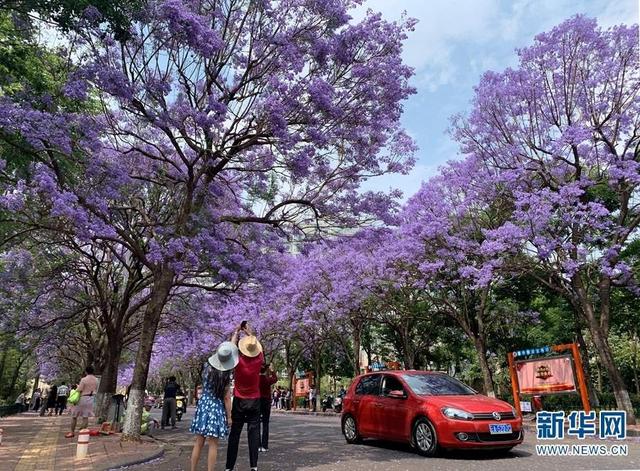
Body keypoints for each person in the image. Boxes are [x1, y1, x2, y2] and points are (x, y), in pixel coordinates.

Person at [190, 341, 237, 471]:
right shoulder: (226, 375)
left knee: (199, 442)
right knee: (213, 444)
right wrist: (229, 416)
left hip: (204, 405)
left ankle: (193, 469)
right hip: (216, 407)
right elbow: (227, 398)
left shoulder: (206, 366)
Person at [225, 322, 264, 471]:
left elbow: (230, 348)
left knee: (235, 434)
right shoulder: (259, 360)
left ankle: (229, 467)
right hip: (255, 400)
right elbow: (258, 347)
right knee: (253, 434)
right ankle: (254, 466)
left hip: (240, 401)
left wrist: (236, 332)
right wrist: (249, 334)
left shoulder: (238, 361)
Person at [65, 366, 98, 438]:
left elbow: (79, 389)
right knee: (85, 416)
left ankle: (72, 432)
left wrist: (77, 387)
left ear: (86, 372)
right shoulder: (96, 380)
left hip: (83, 398)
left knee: (74, 416)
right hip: (91, 398)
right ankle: (83, 433)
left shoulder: (84, 379)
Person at [258, 363, 277, 452]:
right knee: (265, 423)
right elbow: (275, 379)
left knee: (256, 424)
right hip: (266, 402)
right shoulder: (267, 379)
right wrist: (272, 371)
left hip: (257, 402)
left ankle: (258, 445)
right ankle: (265, 446)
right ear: (266, 370)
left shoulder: (255, 379)